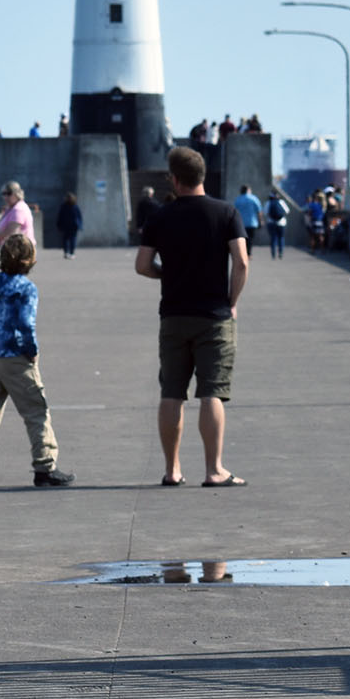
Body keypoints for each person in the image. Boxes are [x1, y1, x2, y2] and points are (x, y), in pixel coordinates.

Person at [136, 145, 249, 487]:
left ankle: (172, 470)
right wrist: (232, 300)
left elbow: (142, 265)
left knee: (172, 392)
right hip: (214, 316)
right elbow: (242, 263)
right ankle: (214, 470)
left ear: (174, 179)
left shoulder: (160, 216)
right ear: (201, 176)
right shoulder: (226, 212)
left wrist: (166, 275)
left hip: (173, 315)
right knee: (211, 392)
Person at [0, 233, 74, 488]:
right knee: (36, 410)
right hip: (16, 358)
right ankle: (45, 465)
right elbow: (25, 324)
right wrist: (30, 350)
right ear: (28, 260)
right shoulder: (26, 288)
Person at [0, 181, 34, 250]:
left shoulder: (18, 209)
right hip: (13, 249)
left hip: (20, 250)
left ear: (17, 193)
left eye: (9, 193)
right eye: (4, 194)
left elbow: (12, 233)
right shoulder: (12, 208)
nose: (5, 197)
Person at [234, 182, 264, 250]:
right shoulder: (254, 199)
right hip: (252, 223)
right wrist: (261, 221)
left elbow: (234, 211)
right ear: (248, 190)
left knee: (243, 239)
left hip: (241, 223)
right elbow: (259, 211)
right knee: (250, 238)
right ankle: (249, 253)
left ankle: (244, 252)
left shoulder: (238, 199)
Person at [55, 191, 84, 258]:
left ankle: (67, 253)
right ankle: (71, 253)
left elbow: (60, 216)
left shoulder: (66, 206)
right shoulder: (74, 206)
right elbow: (79, 217)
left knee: (67, 239)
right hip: (72, 226)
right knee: (71, 240)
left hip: (68, 226)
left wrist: (59, 224)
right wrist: (79, 225)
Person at [265, 193, 288, 259]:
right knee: (281, 238)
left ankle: (273, 254)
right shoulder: (281, 202)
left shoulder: (268, 202)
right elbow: (287, 211)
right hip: (281, 223)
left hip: (271, 222)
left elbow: (265, 212)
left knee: (273, 238)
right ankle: (280, 252)